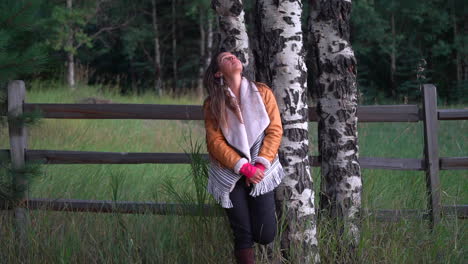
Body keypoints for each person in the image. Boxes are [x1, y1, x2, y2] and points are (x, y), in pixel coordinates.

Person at [202, 51, 285, 264]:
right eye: (224, 58)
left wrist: (258, 165)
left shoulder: (263, 93)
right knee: (243, 235)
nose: (232, 58)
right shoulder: (213, 103)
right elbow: (215, 142)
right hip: (230, 171)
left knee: (266, 234)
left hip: (261, 169)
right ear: (219, 73)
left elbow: (275, 130)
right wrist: (243, 167)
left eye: (233, 55)